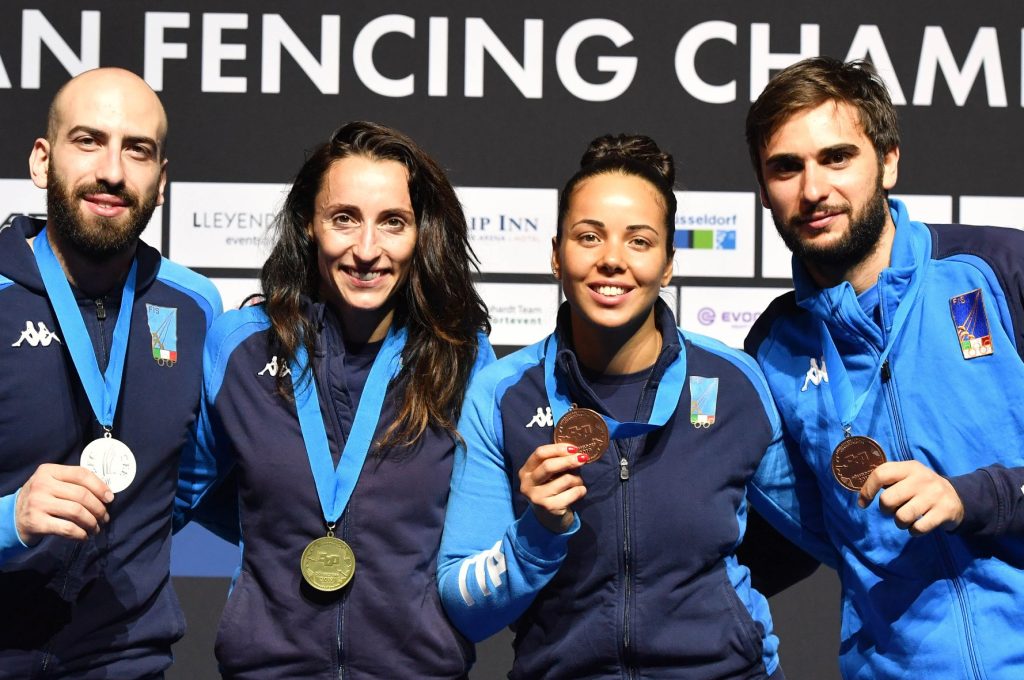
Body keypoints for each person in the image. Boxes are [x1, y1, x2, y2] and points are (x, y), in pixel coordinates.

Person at [438, 134, 787, 679]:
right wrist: (535, 534)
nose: (611, 260)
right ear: (555, 254)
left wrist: (724, 611)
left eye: (639, 241)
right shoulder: (503, 394)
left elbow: (812, 528)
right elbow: (463, 603)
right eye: (589, 236)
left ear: (669, 263)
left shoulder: (734, 381)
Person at [175, 121, 494, 678]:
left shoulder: (461, 360)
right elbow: (177, 496)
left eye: (392, 222)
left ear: (422, 233)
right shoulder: (242, 346)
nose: (366, 249)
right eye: (343, 218)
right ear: (308, 225)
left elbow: (479, 534)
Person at [744, 56, 1024, 679]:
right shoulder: (773, 348)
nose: (813, 190)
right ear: (764, 191)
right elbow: (778, 540)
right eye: (787, 168)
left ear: (888, 161)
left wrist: (972, 496)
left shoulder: (999, 270)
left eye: (836, 157)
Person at [0, 68, 222, 677]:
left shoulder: (194, 306)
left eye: (138, 150)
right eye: (88, 141)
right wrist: (8, 519)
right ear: (43, 162)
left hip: (126, 660)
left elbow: (184, 480)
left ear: (162, 179)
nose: (113, 172)